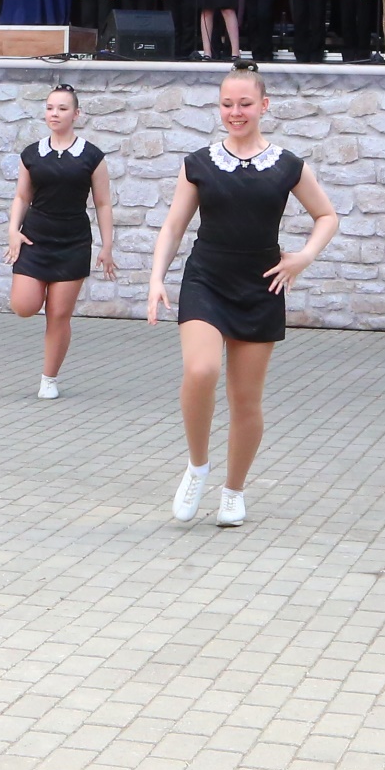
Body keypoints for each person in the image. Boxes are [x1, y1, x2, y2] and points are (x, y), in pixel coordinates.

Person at [145, 61, 341, 528]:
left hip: (261, 285)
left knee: (246, 398)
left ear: (264, 106)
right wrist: (156, 278)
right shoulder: (198, 163)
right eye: (227, 104)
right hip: (206, 279)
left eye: (245, 103)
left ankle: (233, 491)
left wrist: (303, 256)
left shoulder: (288, 165)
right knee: (201, 370)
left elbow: (327, 216)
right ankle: (197, 466)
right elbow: (174, 226)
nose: (236, 112)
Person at [6, 83, 116, 399]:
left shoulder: (91, 156)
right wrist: (13, 230)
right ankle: (37, 288)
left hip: (73, 243)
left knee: (58, 315)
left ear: (76, 114)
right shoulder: (32, 154)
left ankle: (49, 379)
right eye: (50, 108)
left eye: (62, 108)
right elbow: (21, 196)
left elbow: (103, 203)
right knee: (24, 305)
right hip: (35, 239)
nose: (55, 114)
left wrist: (107, 246)